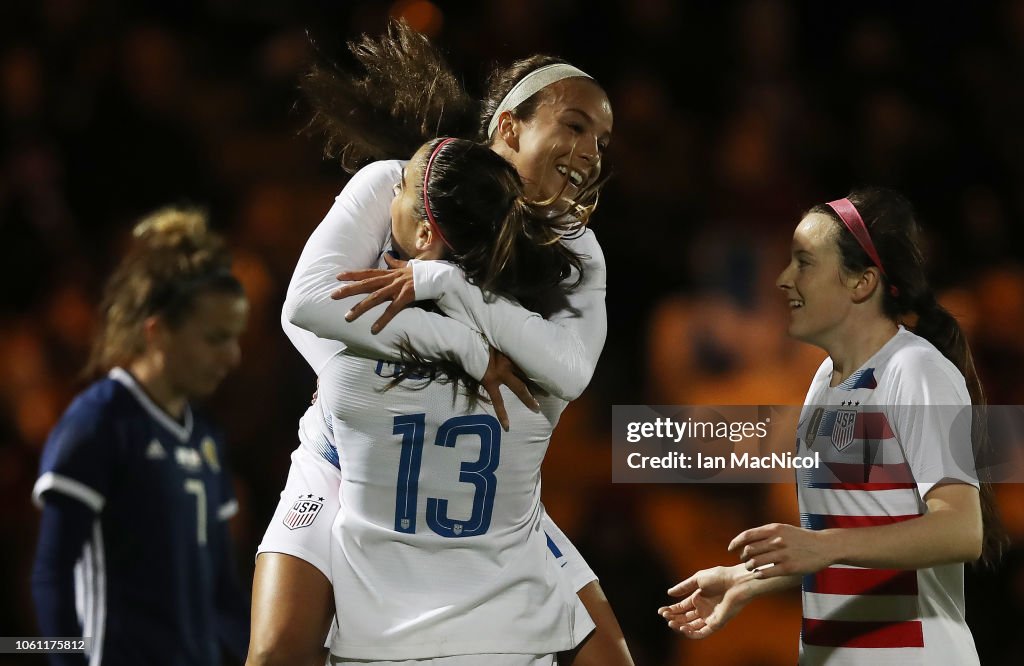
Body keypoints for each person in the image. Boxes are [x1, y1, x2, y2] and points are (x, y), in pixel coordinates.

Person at [248, 21, 631, 666]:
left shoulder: (573, 247)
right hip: (351, 459)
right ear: (508, 126)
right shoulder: (399, 185)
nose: (590, 150)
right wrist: (463, 352)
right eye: (573, 125)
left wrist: (441, 293)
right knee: (278, 653)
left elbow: (570, 373)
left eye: (601, 138)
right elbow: (306, 307)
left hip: (480, 483)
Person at [659, 188, 1004, 664]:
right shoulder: (824, 381)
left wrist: (823, 545)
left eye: (804, 264)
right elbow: (840, 541)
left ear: (861, 284)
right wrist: (746, 580)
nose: (783, 281)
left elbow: (962, 531)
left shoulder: (915, 370)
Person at [31, 208, 251, 666]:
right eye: (215, 339)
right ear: (159, 332)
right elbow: (51, 575)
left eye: (235, 339)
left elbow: (221, 593)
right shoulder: (99, 422)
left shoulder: (206, 436)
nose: (232, 357)